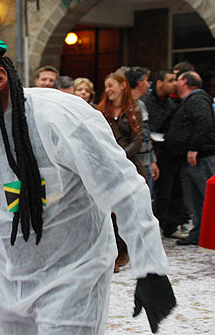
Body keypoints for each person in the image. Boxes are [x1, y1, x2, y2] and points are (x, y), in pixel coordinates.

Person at [0, 34, 176, 334]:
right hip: (11, 282)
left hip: (75, 276)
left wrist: (151, 269)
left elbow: (125, 190)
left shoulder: (61, 117)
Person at [98, 72, 146, 272]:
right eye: (106, 86)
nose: (108, 90)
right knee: (107, 212)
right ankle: (111, 252)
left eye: (111, 86)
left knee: (127, 210)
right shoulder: (100, 110)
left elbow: (138, 140)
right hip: (106, 166)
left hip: (129, 165)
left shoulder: (134, 110)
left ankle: (125, 250)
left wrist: (120, 157)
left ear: (122, 87)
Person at [165, 71, 215, 246]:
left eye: (176, 79)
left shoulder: (197, 99)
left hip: (201, 157)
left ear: (184, 81)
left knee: (209, 198)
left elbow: (205, 122)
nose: (174, 83)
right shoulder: (190, 101)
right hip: (190, 159)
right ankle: (198, 234)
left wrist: (194, 148)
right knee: (194, 200)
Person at [141, 69, 184, 238]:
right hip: (146, 151)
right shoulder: (145, 102)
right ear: (160, 83)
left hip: (164, 151)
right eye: (171, 80)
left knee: (168, 190)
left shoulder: (171, 104)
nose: (175, 84)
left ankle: (167, 224)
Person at [125, 67, 159, 194]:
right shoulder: (128, 105)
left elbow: (146, 134)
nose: (148, 84)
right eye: (146, 80)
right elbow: (140, 136)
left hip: (146, 159)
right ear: (140, 83)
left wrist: (152, 160)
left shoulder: (141, 104)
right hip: (135, 160)